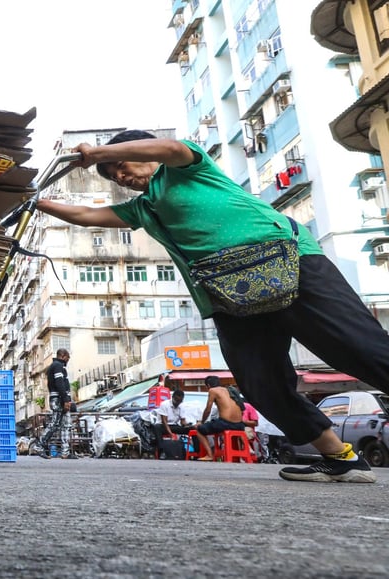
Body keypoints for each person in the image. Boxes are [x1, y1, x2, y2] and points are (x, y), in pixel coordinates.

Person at [36, 130, 389, 482]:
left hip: (289, 265)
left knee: (361, 349)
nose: (121, 177)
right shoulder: (143, 209)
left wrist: (97, 153)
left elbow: (171, 147)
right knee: (259, 381)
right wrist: (36, 201)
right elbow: (84, 214)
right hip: (230, 296)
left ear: (145, 151)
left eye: (120, 166)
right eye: (113, 176)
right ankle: (339, 457)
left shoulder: (185, 166)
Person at [192, 378, 247, 461]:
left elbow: (208, 410)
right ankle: (238, 457)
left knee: (199, 430)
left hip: (225, 423)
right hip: (240, 425)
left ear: (208, 386)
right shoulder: (230, 390)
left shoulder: (212, 391)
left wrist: (201, 422)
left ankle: (210, 455)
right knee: (216, 424)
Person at [41, 348, 78, 459]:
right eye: (67, 358)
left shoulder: (58, 366)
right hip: (58, 399)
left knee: (66, 425)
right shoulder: (57, 365)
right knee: (55, 424)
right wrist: (66, 399)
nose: (68, 360)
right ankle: (39, 446)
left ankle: (65, 452)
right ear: (62, 356)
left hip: (62, 398)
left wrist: (66, 399)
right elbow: (59, 383)